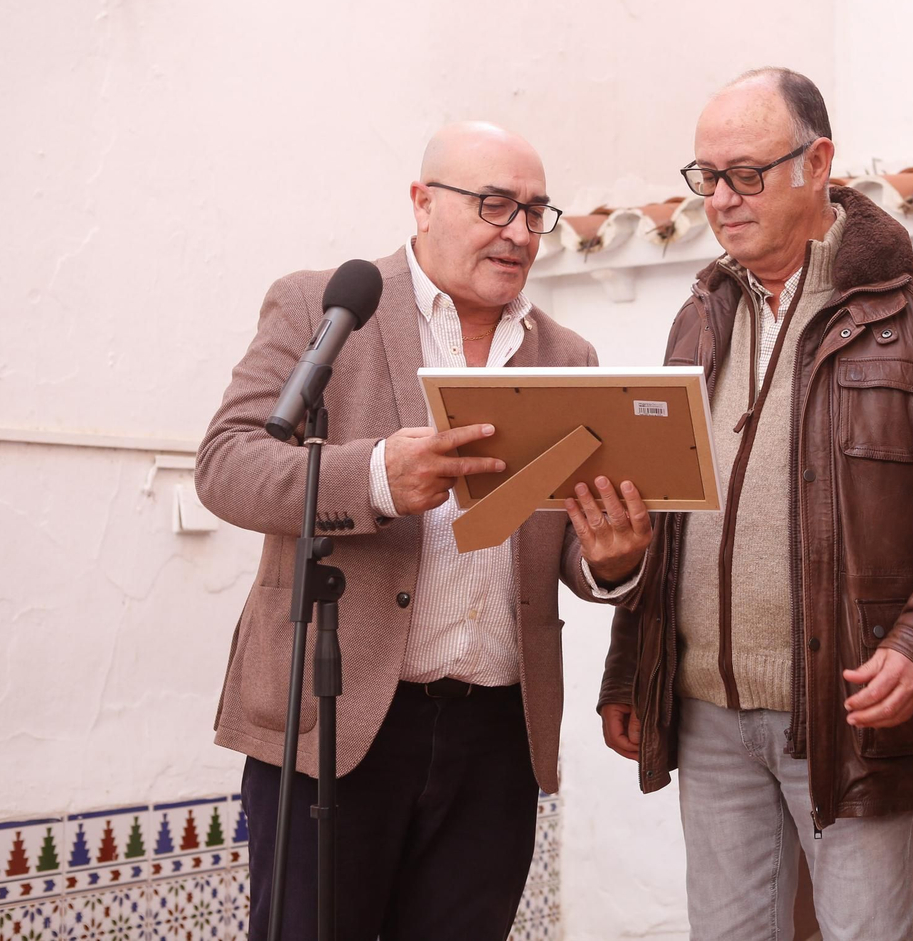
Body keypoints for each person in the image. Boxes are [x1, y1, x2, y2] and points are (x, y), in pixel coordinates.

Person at [597, 68, 913, 940]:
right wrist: (629, 666)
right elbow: (669, 512)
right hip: (707, 716)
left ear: (818, 162)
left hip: (853, 713)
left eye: (745, 174)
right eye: (707, 176)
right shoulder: (701, 313)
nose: (721, 199)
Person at [196, 122, 652, 941]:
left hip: (495, 738)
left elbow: (569, 543)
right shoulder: (322, 306)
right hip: (336, 724)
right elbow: (227, 464)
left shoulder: (569, 357)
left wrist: (610, 564)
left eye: (535, 211)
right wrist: (376, 477)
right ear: (422, 202)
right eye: (494, 205)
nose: (519, 232)